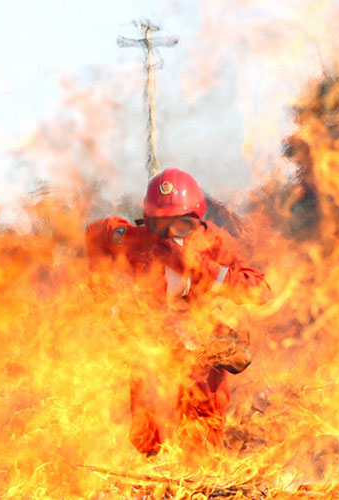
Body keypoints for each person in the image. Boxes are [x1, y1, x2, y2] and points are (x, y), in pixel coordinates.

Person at [85, 168, 270, 455]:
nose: (171, 234)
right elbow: (98, 233)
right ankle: (150, 462)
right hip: (154, 335)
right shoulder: (136, 239)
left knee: (205, 407)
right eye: (161, 226)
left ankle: (198, 473)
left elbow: (260, 291)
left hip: (203, 339)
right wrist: (102, 289)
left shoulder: (216, 244)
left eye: (180, 226)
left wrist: (202, 268)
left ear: (196, 220)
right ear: (149, 223)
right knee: (146, 391)